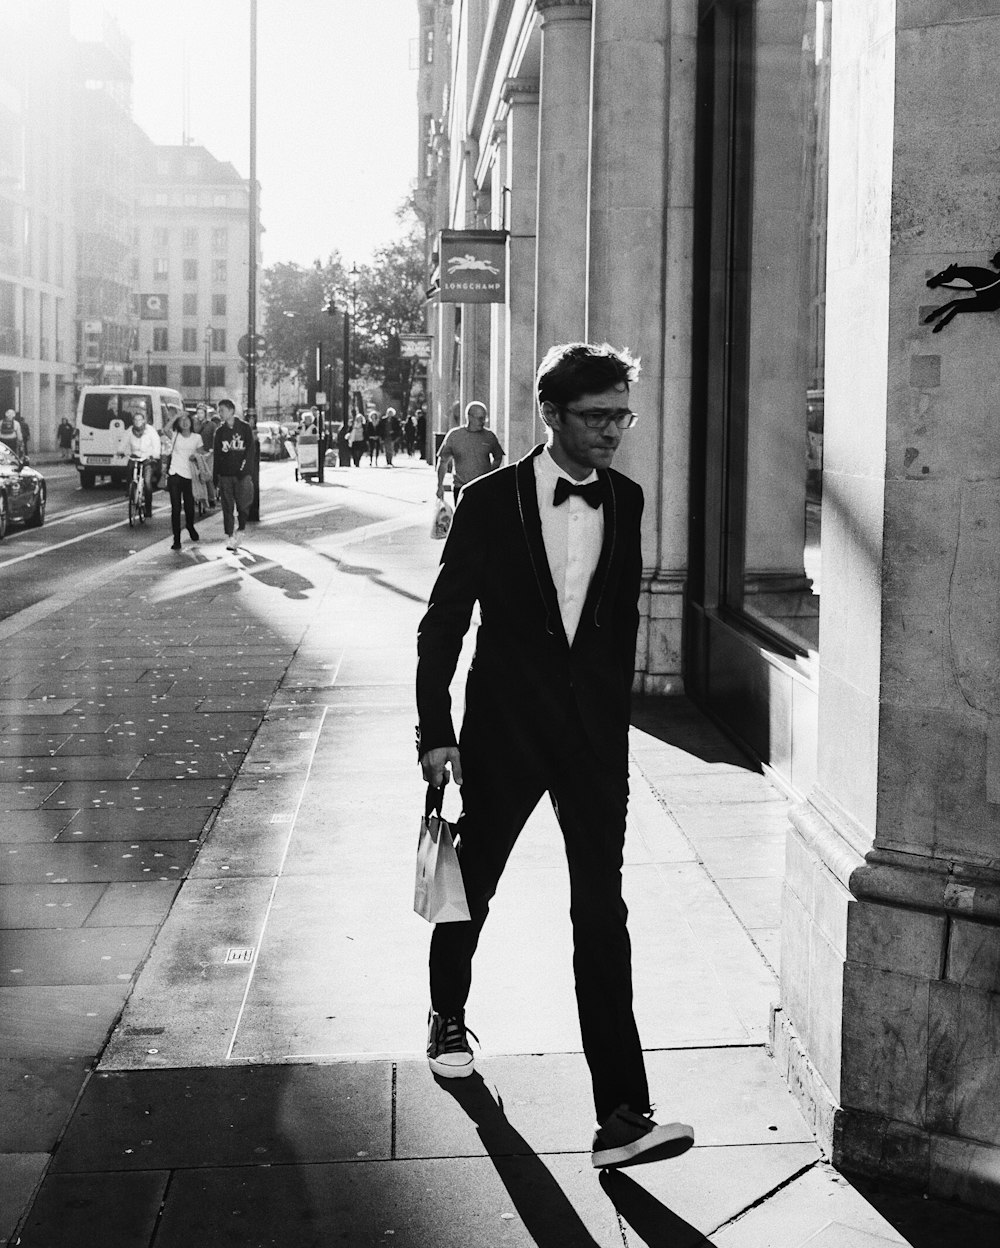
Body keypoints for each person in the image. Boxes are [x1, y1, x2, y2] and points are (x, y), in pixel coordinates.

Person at [416, 342, 695, 1171]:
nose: (614, 432)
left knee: (601, 913)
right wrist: (436, 734)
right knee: (473, 886)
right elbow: (443, 625)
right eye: (598, 416)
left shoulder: (630, 499)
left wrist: (616, 724)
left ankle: (622, 1113)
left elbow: (615, 623)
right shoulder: (487, 501)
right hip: (501, 734)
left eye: (623, 415)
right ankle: (446, 1014)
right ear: (552, 414)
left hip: (592, 744)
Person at [435, 401, 504, 499]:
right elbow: (443, 462)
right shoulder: (454, 436)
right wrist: (439, 486)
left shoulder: (489, 436)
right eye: (480, 418)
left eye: (485, 418)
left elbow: (498, 456)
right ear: (469, 417)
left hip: (483, 488)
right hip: (461, 488)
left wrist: (490, 474)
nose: (483, 421)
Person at [212, 398, 254, 553]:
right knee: (227, 507)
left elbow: (250, 452)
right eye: (219, 411)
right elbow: (217, 455)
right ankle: (230, 535)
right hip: (225, 474)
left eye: (222, 410)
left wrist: (245, 471)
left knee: (243, 504)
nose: (220, 414)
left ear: (231, 410)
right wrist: (215, 476)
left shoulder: (244, 428)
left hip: (242, 475)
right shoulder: (220, 432)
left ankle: (241, 529)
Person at [165, 412, 202, 550]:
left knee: (189, 506)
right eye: (182, 421)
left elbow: (202, 453)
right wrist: (176, 416)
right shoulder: (175, 435)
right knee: (175, 508)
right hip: (175, 474)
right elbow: (164, 430)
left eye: (187, 420)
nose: (185, 423)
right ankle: (176, 539)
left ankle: (190, 526)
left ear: (191, 423)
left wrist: (196, 455)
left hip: (190, 475)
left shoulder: (197, 438)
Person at [128, 410, 161, 519]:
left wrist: (155, 454)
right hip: (135, 457)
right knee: (129, 469)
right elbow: (123, 441)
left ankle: (148, 508)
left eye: (140, 419)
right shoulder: (130, 431)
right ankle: (131, 490)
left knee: (147, 483)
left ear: (144, 421)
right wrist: (120, 451)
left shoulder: (150, 431)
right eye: (135, 420)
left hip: (148, 458)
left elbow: (156, 443)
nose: (138, 422)